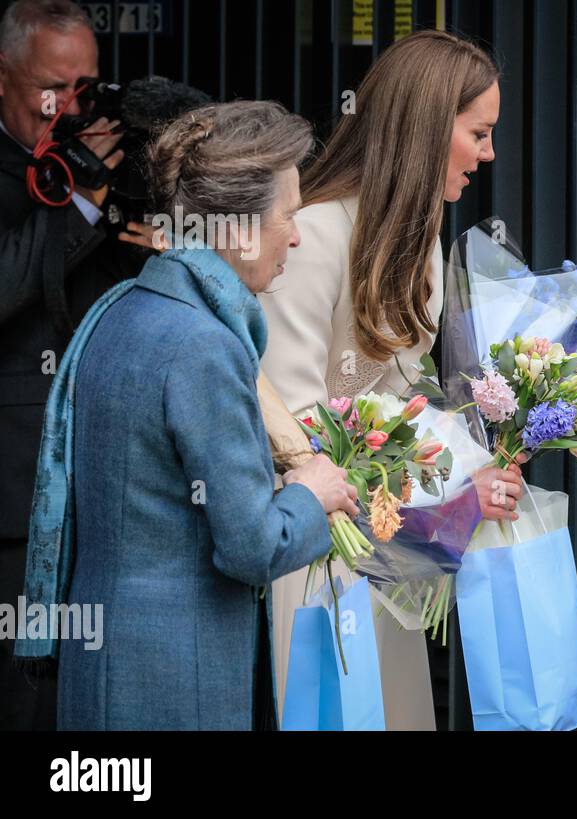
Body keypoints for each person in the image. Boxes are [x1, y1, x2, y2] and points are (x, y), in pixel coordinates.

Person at [17, 99, 358, 730]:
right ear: (241, 227)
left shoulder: (119, 308)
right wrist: (313, 492)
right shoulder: (204, 344)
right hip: (177, 682)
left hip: (101, 674)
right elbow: (253, 546)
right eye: (288, 215)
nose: (297, 235)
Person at [258, 29, 521, 730]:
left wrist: (475, 470)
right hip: (321, 544)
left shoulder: (423, 241)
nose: (488, 153)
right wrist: (439, 483)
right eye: (479, 132)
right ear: (430, 127)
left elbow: (414, 397)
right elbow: (293, 420)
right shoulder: (310, 235)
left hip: (395, 545)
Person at [0, 0, 159, 731]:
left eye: (85, 88)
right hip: (15, 490)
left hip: (109, 484)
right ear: (4, 80)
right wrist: (84, 203)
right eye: (50, 89)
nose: (67, 108)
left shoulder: (118, 165)